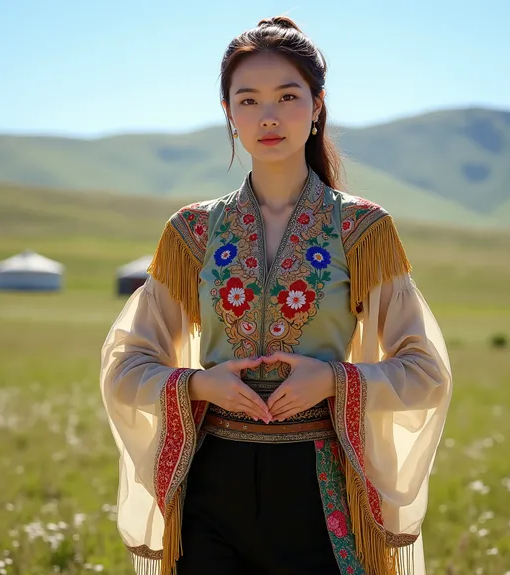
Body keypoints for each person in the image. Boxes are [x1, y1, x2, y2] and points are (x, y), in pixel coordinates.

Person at [100, 15, 452, 575]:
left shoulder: (362, 230)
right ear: (229, 115)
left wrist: (334, 380)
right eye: (248, 100)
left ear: (316, 107)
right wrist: (198, 383)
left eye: (288, 96)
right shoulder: (192, 233)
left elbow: (425, 370)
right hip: (212, 489)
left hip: (321, 488)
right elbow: (125, 365)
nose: (268, 116)